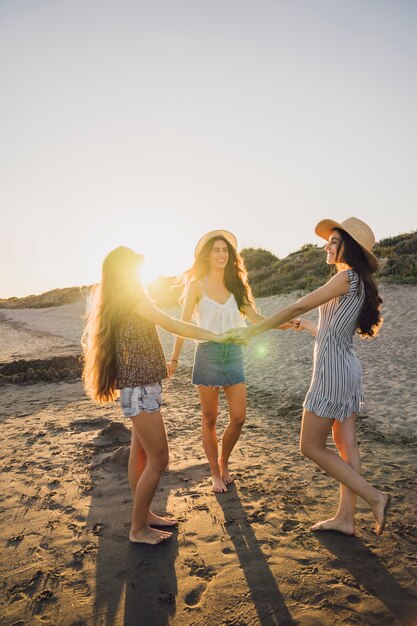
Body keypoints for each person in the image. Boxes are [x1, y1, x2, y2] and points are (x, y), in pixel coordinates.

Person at [227, 218, 391, 535]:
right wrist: (311, 327)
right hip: (345, 367)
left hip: (332, 372)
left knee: (310, 446)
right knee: (345, 445)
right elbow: (335, 333)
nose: (326, 246)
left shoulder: (347, 278)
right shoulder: (357, 282)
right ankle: (346, 518)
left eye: (332, 241)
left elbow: (298, 304)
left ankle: (375, 497)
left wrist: (253, 329)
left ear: (348, 247)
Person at [82, 246, 235, 545]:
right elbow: (171, 323)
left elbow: (138, 342)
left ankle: (145, 515)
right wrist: (214, 335)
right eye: (136, 267)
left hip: (142, 387)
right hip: (140, 392)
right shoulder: (133, 298)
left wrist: (158, 365)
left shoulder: (121, 300)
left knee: (140, 454)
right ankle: (137, 529)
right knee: (159, 458)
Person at [168, 230, 290, 493]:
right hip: (208, 355)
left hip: (234, 354)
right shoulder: (197, 286)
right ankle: (214, 472)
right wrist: (175, 358)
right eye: (216, 250)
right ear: (207, 255)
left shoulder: (236, 285)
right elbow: (183, 324)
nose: (222, 254)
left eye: (225, 250)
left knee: (238, 418)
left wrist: (283, 324)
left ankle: (224, 462)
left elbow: (255, 318)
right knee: (210, 418)